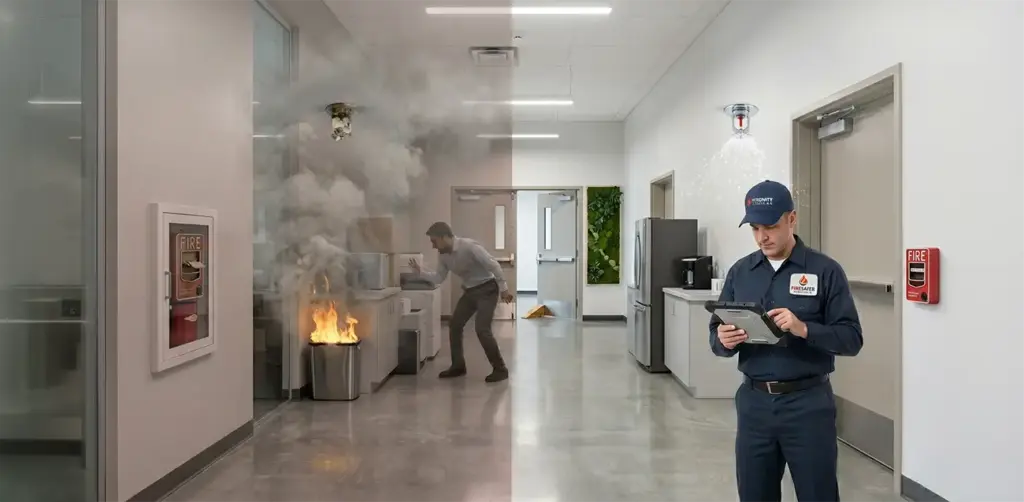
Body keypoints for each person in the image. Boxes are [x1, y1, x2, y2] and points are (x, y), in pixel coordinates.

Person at [709, 180, 863, 502]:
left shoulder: (825, 271)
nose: (762, 237)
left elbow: (851, 338)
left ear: (791, 219)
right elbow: (716, 335)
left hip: (808, 405)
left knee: (817, 493)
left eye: (771, 226)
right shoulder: (741, 272)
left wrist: (804, 329)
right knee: (754, 494)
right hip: (754, 404)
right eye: (754, 228)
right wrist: (724, 339)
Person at [410, 222, 513, 383]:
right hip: (470, 291)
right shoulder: (443, 255)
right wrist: (420, 273)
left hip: (487, 290)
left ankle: (501, 369)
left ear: (444, 237)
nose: (433, 246)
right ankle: (458, 366)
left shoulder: (470, 247)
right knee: (455, 325)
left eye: (434, 241)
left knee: (482, 329)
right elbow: (439, 278)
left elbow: (493, 265)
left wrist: (504, 288)